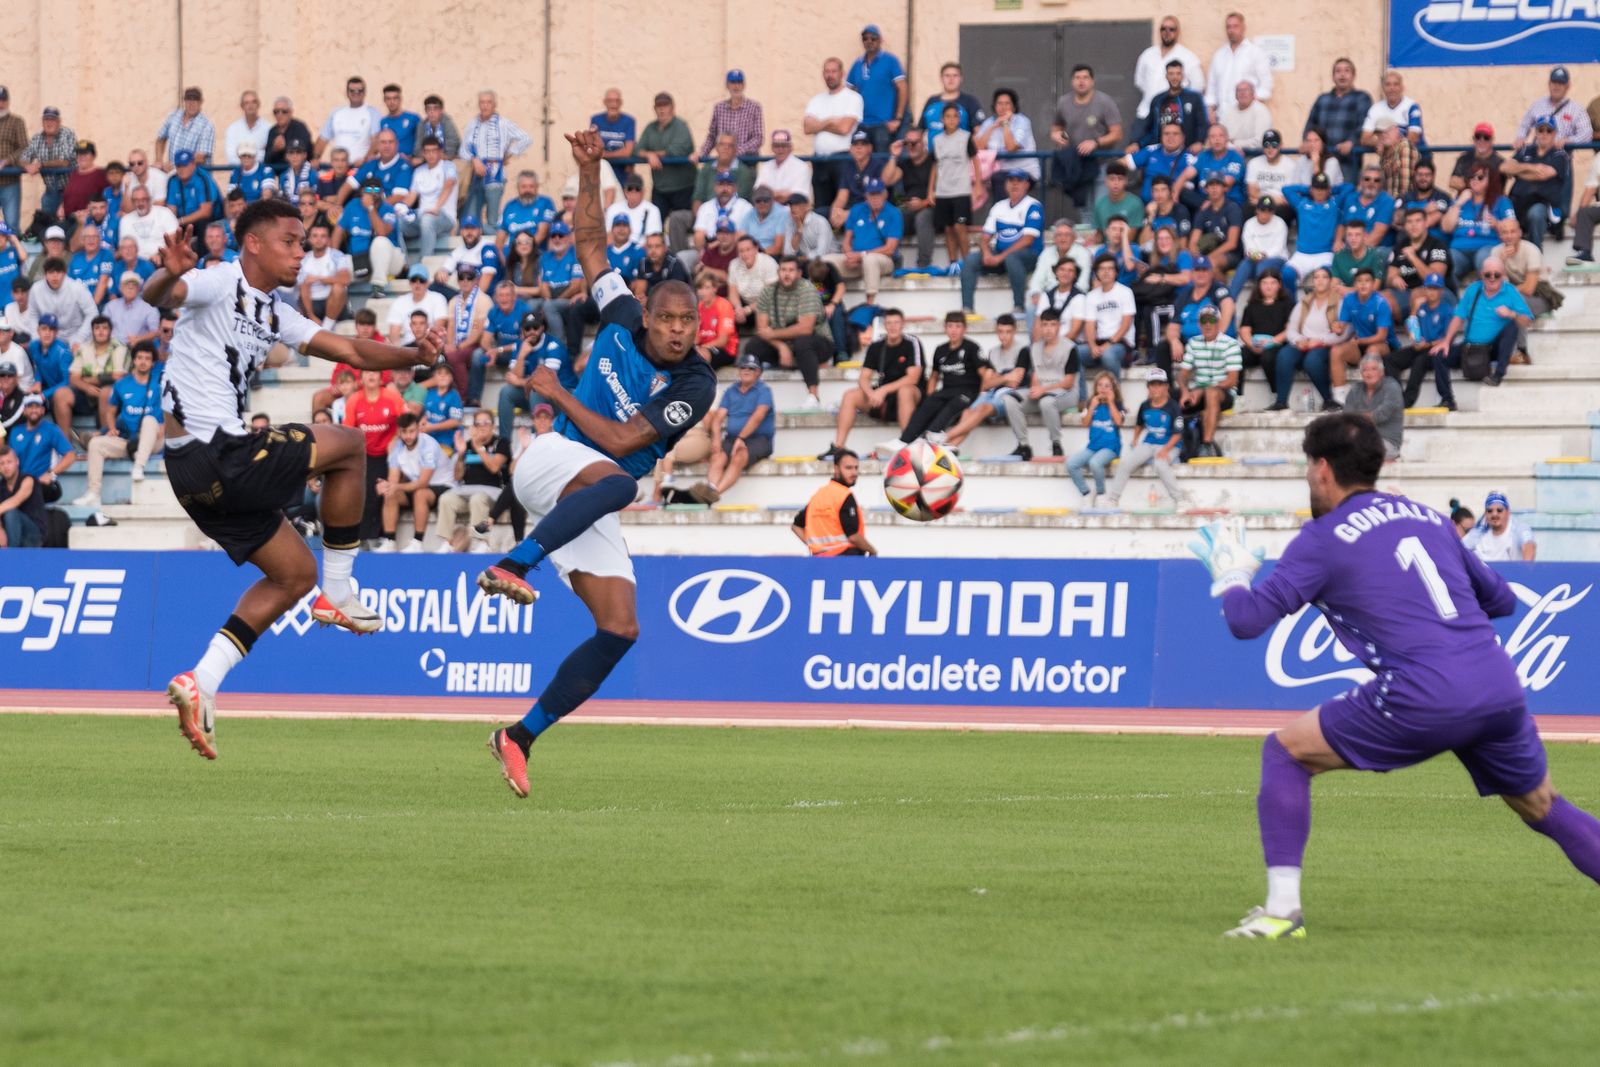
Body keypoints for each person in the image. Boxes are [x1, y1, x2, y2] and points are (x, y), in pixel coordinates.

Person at [1198, 414, 1599, 941]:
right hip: (1497, 684)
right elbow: (1501, 598)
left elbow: (1246, 621)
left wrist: (1230, 577)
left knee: (1285, 752)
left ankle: (1281, 911)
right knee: (1542, 804)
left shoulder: (1322, 538)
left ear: (1321, 470)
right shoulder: (1428, 518)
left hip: (1423, 690)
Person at [143, 199, 445, 759]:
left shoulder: (276, 312)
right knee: (350, 444)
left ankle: (201, 681)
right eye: (290, 240)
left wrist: (413, 355)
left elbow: (351, 349)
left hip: (193, 475)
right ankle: (339, 591)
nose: (301, 251)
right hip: (218, 451)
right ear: (253, 243)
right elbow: (158, 296)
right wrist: (169, 272)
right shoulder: (216, 282)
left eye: (303, 241)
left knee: (292, 574)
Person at [473, 129, 716, 800]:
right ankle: (511, 564)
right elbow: (589, 245)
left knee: (621, 627)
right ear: (650, 314)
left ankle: (519, 735)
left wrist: (554, 392)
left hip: (594, 481)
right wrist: (589, 172)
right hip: (551, 463)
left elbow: (618, 440)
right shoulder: (620, 310)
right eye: (666, 318)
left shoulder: (696, 384)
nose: (675, 330)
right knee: (618, 481)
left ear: (698, 325)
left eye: (686, 322)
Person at [876, 311, 989, 456]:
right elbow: (934, 376)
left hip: (967, 392)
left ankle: (931, 439)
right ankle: (904, 441)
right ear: (945, 328)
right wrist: (929, 395)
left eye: (958, 326)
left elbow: (984, 374)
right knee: (929, 403)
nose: (954, 330)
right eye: (950, 326)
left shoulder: (972, 348)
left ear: (964, 329)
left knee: (950, 407)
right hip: (947, 390)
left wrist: (981, 397)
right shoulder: (940, 350)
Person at [820, 307, 923, 460]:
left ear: (903, 325)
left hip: (910, 393)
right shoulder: (877, 346)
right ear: (884, 325)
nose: (893, 326)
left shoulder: (912, 342)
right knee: (850, 395)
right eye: (889, 323)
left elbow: (913, 378)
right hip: (885, 398)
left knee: (905, 391)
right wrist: (871, 393)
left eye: (896, 323)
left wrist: (883, 390)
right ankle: (839, 447)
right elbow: (863, 377)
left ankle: (907, 444)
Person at [743, 257, 833, 409]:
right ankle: (750, 396)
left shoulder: (807, 289)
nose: (787, 274)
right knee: (753, 346)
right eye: (783, 270)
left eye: (791, 270)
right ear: (778, 272)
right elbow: (762, 329)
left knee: (803, 342)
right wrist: (780, 346)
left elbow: (805, 328)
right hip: (786, 344)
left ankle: (813, 397)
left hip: (819, 342)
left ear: (799, 273)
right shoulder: (768, 291)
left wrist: (773, 335)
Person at [688, 353, 774, 504]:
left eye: (751, 368)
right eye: (743, 367)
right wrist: (715, 440)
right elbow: (718, 418)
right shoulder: (731, 390)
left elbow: (758, 416)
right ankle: (711, 489)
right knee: (717, 456)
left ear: (758, 372)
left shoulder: (764, 390)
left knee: (739, 456)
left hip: (759, 439)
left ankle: (712, 494)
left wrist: (741, 438)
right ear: (739, 370)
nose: (746, 371)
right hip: (732, 438)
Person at [960, 170, 1042, 317]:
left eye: (1019, 180)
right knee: (971, 259)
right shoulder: (999, 206)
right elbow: (985, 237)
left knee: (1013, 258)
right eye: (1011, 180)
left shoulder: (1033, 206)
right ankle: (967, 309)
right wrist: (986, 253)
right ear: (1005, 184)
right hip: (1002, 257)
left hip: (1029, 257)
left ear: (1026, 185)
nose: (1014, 183)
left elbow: (1027, 240)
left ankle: (1019, 307)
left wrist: (1000, 257)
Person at [1105, 365, 1184, 508]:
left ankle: (1180, 500)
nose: (1155, 389)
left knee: (1160, 464)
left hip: (1170, 444)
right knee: (1125, 464)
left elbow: (1178, 434)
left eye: (1159, 385)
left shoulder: (1173, 407)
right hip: (1149, 443)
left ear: (1166, 387)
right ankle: (1113, 499)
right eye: (1152, 385)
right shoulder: (1145, 405)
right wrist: (1135, 439)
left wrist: (1166, 450)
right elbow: (1139, 424)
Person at [1050, 67, 1123, 217]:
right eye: (1077, 77)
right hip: (1078, 163)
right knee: (1084, 209)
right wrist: (1056, 135)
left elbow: (1117, 134)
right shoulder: (1064, 102)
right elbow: (1057, 126)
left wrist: (1095, 142)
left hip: (1102, 162)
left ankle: (1104, 238)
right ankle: (1090, 239)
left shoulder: (1104, 102)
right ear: (1072, 81)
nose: (1081, 81)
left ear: (1092, 81)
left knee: (1101, 206)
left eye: (1085, 77)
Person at [433, 410, 509, 552]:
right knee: (446, 498)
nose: (482, 426)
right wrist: (461, 455)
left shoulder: (501, 443)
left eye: (486, 423)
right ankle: (447, 542)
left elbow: (494, 468)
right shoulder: (466, 445)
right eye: (478, 423)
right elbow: (457, 476)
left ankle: (481, 541)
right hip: (466, 492)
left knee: (478, 499)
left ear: (493, 426)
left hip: (492, 494)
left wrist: (479, 448)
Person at [459, 91, 531, 234]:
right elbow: (463, 149)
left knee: (492, 217)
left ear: (494, 105)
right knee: (472, 214)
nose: (485, 106)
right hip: (475, 175)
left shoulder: (503, 123)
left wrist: (509, 153)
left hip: (495, 174)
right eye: (482, 102)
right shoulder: (472, 125)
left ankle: (493, 246)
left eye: (488, 102)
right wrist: (474, 160)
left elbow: (526, 138)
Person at [1178, 305, 1241, 457]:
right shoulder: (1193, 342)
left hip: (1223, 392)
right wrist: (1185, 391)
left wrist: (1201, 390)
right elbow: (1182, 375)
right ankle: (1174, 445)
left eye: (1212, 320)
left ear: (1218, 323)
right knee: (1169, 396)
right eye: (1204, 320)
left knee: (1211, 394)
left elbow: (1232, 380)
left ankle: (1206, 444)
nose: (1208, 324)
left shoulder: (1230, 343)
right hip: (1199, 391)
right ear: (1199, 324)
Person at [803, 59, 864, 213]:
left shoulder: (853, 98)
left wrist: (820, 124)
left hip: (843, 160)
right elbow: (807, 127)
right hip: (819, 160)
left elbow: (844, 128)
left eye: (833, 71)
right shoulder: (816, 100)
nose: (829, 75)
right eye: (826, 71)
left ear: (842, 74)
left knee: (843, 207)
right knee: (821, 208)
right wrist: (830, 121)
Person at [792, 449, 876, 556]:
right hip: (846, 560)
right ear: (836, 468)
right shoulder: (844, 495)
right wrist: (873, 551)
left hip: (820, 561)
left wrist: (815, 546)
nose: (854, 473)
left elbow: (796, 526)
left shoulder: (818, 495)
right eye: (848, 468)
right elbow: (853, 536)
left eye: (856, 468)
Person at [1501, 119, 1569, 247]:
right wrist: (1534, 167)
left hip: (1542, 204)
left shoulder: (1559, 155)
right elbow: (1505, 167)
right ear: (1536, 133)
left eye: (1548, 131)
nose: (1544, 134)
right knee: (1500, 208)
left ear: (1554, 134)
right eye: (1541, 130)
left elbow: (1544, 174)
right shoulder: (1525, 150)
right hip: (1518, 201)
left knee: (1536, 213)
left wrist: (1518, 170)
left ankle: (1535, 254)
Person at [929, 103, 978, 271]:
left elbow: (975, 160)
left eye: (955, 116)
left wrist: (977, 184)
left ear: (959, 119)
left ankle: (968, 263)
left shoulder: (966, 137)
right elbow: (935, 165)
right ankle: (953, 264)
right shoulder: (936, 140)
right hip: (943, 191)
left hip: (961, 190)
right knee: (948, 228)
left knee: (959, 227)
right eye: (948, 116)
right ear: (942, 119)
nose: (951, 120)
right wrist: (931, 190)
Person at [1134, 17, 1205, 133]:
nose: (1167, 32)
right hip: (1146, 113)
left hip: (1174, 116)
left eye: (1171, 29)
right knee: (1138, 147)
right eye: (1163, 29)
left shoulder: (1188, 57)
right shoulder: (1147, 55)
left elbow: (1198, 86)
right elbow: (1140, 82)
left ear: (1178, 32)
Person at [1330, 267, 1395, 389]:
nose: (1363, 284)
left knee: (1372, 351)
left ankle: (1376, 394)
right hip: (1359, 344)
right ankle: (1339, 398)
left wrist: (1359, 341)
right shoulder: (1349, 299)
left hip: (1384, 344)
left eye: (1367, 281)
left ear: (1373, 284)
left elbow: (1382, 336)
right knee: (1336, 351)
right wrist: (1338, 329)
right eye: (1359, 281)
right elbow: (1342, 325)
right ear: (1355, 285)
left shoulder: (1381, 303)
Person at [1303, 58, 1372, 174]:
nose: (1342, 75)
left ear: (1353, 76)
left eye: (1347, 71)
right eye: (1338, 71)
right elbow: (1310, 125)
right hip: (1323, 160)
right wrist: (1306, 142)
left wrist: (1352, 142)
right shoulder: (1322, 99)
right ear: (1333, 76)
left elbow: (1364, 126)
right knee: (1318, 191)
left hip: (1349, 161)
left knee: (1346, 192)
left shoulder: (1362, 98)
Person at [847, 24, 908, 153]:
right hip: (862, 125)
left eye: (873, 38)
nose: (869, 41)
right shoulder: (857, 64)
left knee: (881, 164)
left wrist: (898, 119)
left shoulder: (890, 60)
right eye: (865, 38)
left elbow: (902, 88)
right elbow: (848, 92)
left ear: (880, 40)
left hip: (883, 125)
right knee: (861, 164)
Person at [1068, 370, 1123, 504]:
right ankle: (1086, 493)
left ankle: (1100, 493)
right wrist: (1092, 407)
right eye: (1100, 385)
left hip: (1111, 447)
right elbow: (1085, 423)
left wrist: (1110, 403)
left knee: (1095, 463)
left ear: (1113, 388)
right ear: (1095, 387)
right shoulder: (1091, 403)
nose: (1103, 389)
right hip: (1093, 446)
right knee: (1071, 463)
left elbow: (1119, 422)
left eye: (1107, 386)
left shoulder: (1117, 403)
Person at [1206, 12, 1273, 116]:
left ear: (1243, 28)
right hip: (1221, 117)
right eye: (1228, 27)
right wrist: (1210, 111)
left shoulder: (1256, 53)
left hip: (1247, 115)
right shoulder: (1218, 55)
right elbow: (1211, 87)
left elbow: (1266, 86)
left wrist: (1249, 102)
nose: (1231, 30)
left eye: (1235, 26)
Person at [1238, 270, 1292, 400]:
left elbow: (1290, 329)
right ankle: (1237, 397)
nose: (1268, 286)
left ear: (1279, 285)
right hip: (1254, 345)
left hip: (1277, 344)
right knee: (1237, 356)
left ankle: (1276, 394)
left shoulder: (1287, 305)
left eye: (1273, 283)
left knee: (1267, 357)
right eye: (1264, 283)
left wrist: (1271, 342)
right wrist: (1251, 345)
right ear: (1259, 285)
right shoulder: (1251, 306)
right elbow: (1244, 330)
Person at [1342, 351, 1404, 459]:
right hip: (1360, 439)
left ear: (1382, 372)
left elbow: (1380, 415)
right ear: (1361, 373)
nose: (1369, 373)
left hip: (1386, 441)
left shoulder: (1392, 387)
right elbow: (1346, 418)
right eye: (1365, 370)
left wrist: (1357, 418)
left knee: (1358, 453)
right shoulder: (1355, 389)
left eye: (1374, 369)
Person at [1463, 489, 1537, 561]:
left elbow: (1529, 546)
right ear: (1485, 513)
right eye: (1490, 511)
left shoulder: (1518, 528)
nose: (1494, 514)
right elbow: (1460, 548)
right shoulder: (1479, 531)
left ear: (1508, 512)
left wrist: (1525, 570)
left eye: (1499, 510)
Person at [918, 61, 985, 134]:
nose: (951, 79)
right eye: (947, 75)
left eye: (955, 75)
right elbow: (920, 130)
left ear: (961, 79)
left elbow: (979, 132)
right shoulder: (931, 101)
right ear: (941, 78)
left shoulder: (970, 101)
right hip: (933, 145)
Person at [0, 441, 45, 547]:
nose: (6, 466)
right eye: (2, 463)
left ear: (17, 462)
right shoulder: (1, 486)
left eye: (9, 462)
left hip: (34, 535)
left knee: (11, 513)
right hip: (10, 534)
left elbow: (17, 500)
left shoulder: (28, 480)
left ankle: (11, 558)